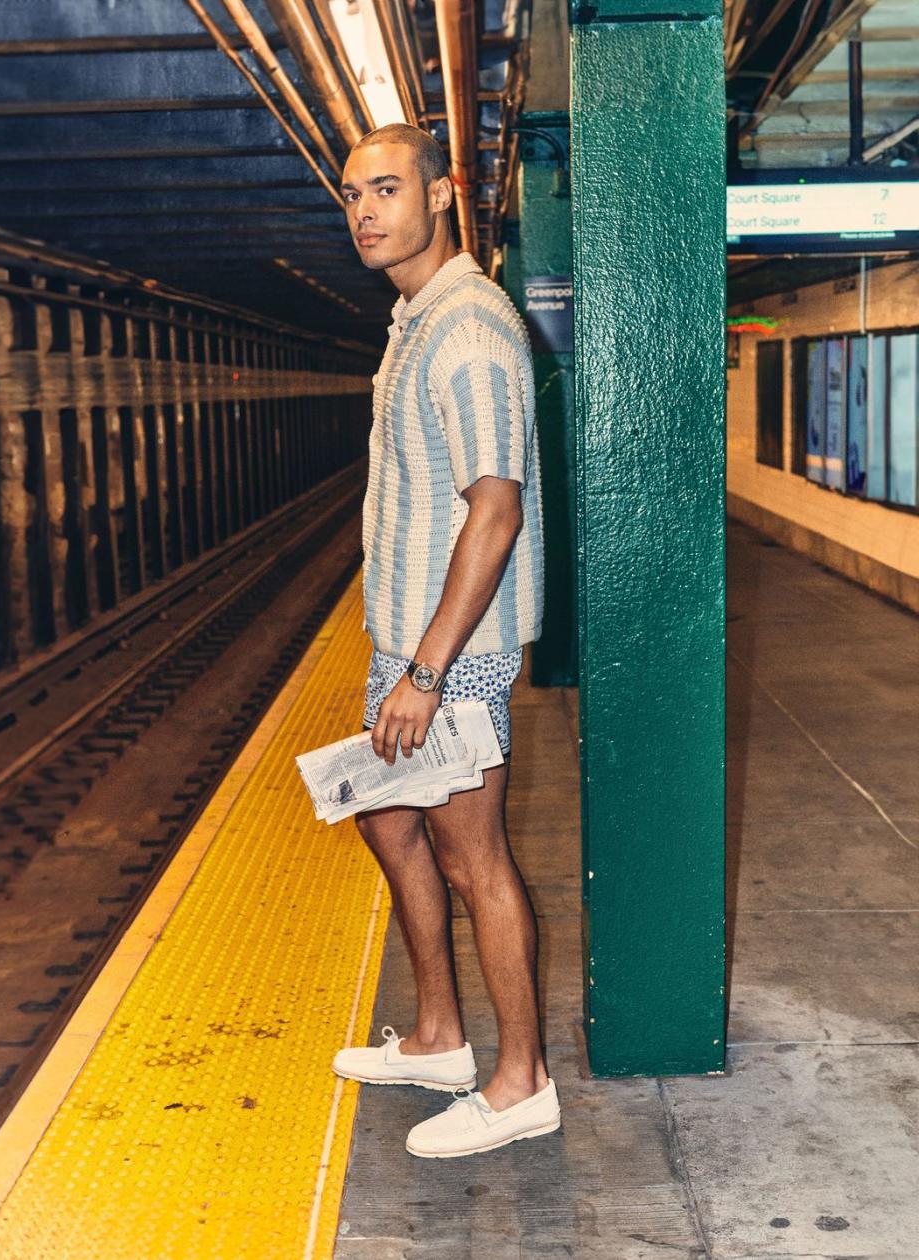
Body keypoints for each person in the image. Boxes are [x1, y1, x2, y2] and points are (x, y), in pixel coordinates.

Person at [330, 123, 559, 1159]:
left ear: (442, 192)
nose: (366, 211)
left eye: (385, 188)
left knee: (474, 860)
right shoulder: (415, 319)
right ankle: (436, 1037)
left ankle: (520, 1082)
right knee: (387, 820)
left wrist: (426, 673)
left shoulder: (466, 330)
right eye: (351, 196)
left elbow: (495, 513)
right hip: (410, 641)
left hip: (451, 653)